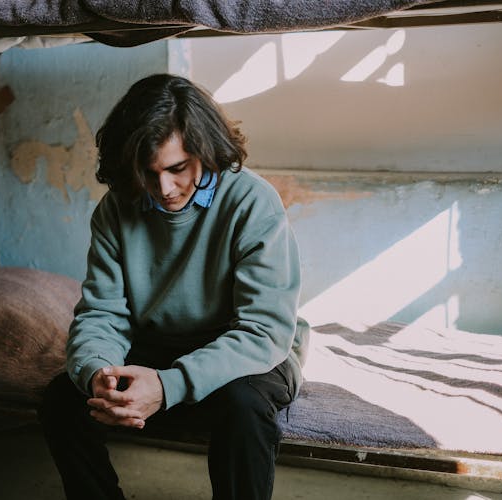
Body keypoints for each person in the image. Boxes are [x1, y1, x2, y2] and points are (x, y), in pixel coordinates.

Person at [39, 73, 309, 500]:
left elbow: (265, 332)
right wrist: (99, 375)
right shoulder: (115, 210)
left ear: (205, 149)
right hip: (159, 345)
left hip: (248, 350)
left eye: (177, 168)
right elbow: (102, 314)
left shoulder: (253, 202)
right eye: (149, 173)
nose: (164, 189)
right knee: (61, 399)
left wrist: (168, 386)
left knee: (244, 408)